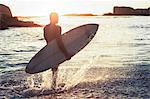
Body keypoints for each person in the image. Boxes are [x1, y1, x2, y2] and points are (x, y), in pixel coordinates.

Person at [43, 12, 71, 90]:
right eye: (57, 17)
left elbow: (47, 39)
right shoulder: (58, 28)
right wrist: (66, 53)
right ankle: (53, 86)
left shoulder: (45, 27)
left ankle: (53, 85)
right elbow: (59, 41)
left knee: (53, 68)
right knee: (55, 69)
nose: (58, 19)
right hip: (56, 50)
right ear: (53, 18)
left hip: (49, 50)